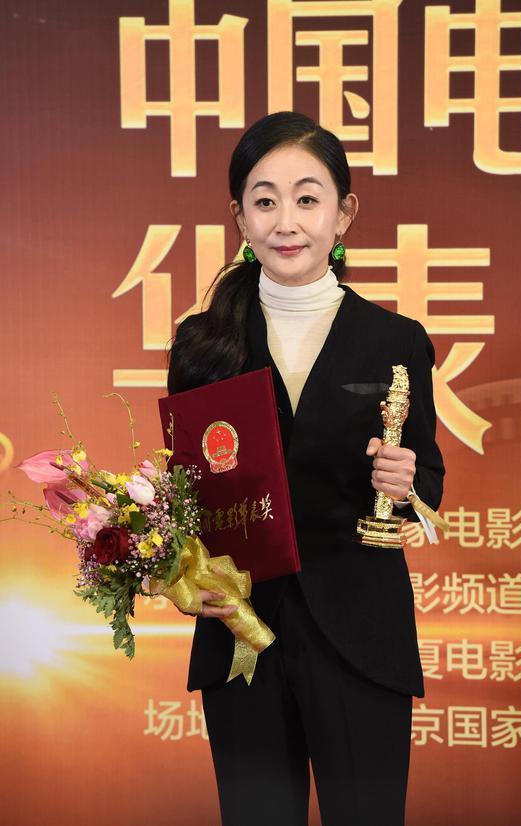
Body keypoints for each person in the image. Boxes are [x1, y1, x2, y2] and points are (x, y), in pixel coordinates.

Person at [167, 111, 445, 826]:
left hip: (361, 633)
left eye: (307, 198)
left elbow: (428, 478)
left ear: (343, 213)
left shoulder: (395, 340)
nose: (286, 222)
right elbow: (185, 493)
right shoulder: (202, 343)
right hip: (241, 629)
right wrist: (177, 570)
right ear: (240, 218)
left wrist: (405, 484)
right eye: (264, 201)